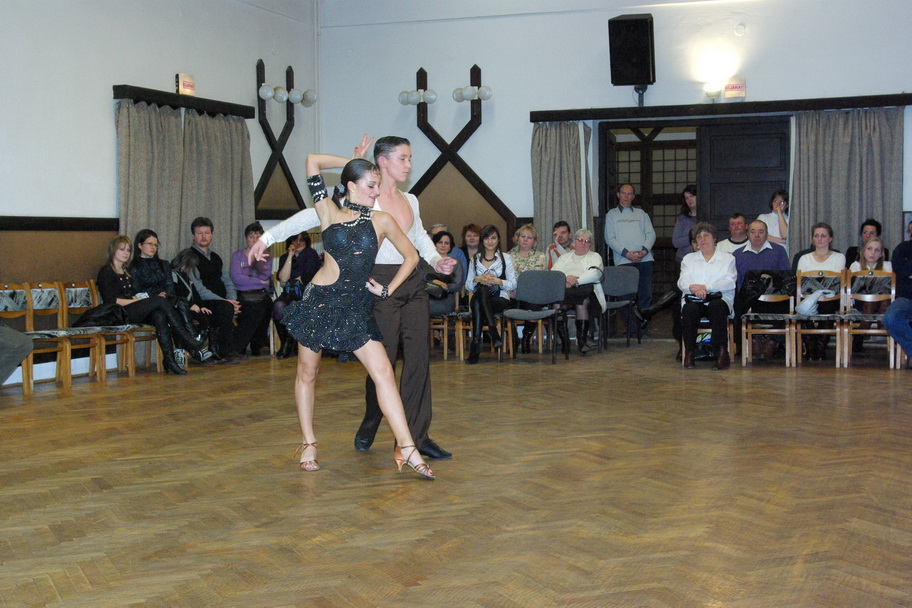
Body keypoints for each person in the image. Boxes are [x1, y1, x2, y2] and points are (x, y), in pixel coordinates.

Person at [248, 135, 456, 461]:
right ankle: (370, 421)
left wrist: (436, 260)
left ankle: (416, 438)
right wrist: (269, 236)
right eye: (403, 158)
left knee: (417, 360)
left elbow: (417, 238)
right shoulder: (360, 196)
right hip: (368, 282)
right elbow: (311, 215)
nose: (409, 164)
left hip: (408, 282)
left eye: (409, 158)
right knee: (380, 364)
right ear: (382, 162)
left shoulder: (410, 200)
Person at [97, 235, 207, 375]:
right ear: (113, 250)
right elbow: (111, 300)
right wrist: (137, 301)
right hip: (116, 313)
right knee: (160, 301)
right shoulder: (106, 271)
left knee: (159, 315)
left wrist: (137, 298)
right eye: (122, 250)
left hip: (131, 309)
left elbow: (130, 294)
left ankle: (169, 360)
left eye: (128, 250)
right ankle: (187, 338)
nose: (126, 253)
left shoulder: (126, 271)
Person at [132, 229, 212, 363]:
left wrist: (165, 294)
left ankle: (182, 348)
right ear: (140, 245)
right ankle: (193, 342)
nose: (153, 247)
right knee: (175, 308)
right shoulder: (134, 267)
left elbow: (170, 285)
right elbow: (136, 290)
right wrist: (155, 295)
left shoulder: (164, 264)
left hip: (166, 300)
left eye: (155, 245)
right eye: (150, 244)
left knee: (178, 305)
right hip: (147, 304)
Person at [678, 222, 737, 370]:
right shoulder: (688, 259)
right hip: (695, 299)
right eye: (699, 237)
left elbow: (730, 282)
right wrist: (693, 288)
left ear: (714, 238)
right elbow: (682, 282)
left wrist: (706, 287)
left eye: (706, 235)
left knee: (716, 307)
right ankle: (690, 352)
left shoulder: (728, 258)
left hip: (719, 299)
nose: (702, 239)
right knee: (689, 309)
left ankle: (721, 352)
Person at [732, 220, 791, 359]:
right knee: (736, 304)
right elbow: (737, 283)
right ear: (748, 233)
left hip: (775, 300)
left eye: (761, 232)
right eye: (753, 232)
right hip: (749, 301)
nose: (756, 235)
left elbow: (786, 278)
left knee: (787, 302)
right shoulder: (737, 254)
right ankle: (752, 340)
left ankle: (772, 341)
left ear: (767, 234)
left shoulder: (779, 251)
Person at [186, 217, 240, 362]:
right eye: (199, 233)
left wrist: (232, 299)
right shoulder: (190, 257)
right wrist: (226, 302)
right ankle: (224, 351)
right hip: (203, 301)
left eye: (207, 233)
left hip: (223, 301)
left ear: (212, 235)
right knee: (225, 308)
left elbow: (227, 281)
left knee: (248, 305)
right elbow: (198, 288)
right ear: (193, 236)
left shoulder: (216, 257)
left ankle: (238, 347)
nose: (204, 236)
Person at [604, 183, 656, 323]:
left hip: (644, 260)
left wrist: (644, 250)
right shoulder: (611, 215)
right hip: (624, 261)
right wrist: (626, 253)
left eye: (629, 194)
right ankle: (631, 328)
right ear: (618, 195)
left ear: (633, 196)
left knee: (646, 295)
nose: (626, 196)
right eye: (623, 193)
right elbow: (610, 238)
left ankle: (644, 326)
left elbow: (651, 234)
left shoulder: (641, 214)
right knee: (625, 296)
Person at [464, 224, 516, 364]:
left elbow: (513, 284)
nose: (490, 241)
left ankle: (476, 344)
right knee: (481, 290)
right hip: (482, 298)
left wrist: (498, 281)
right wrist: (478, 279)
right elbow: (468, 285)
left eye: (493, 238)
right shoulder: (475, 259)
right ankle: (493, 332)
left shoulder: (506, 258)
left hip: (500, 299)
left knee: (477, 301)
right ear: (482, 240)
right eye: (487, 238)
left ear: (498, 239)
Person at [551, 229, 606, 355]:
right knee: (556, 305)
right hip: (565, 291)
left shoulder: (595, 256)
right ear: (574, 242)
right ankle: (565, 342)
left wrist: (574, 281)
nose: (583, 243)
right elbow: (554, 274)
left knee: (582, 302)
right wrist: (565, 280)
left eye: (587, 241)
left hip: (586, 293)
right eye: (580, 240)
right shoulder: (564, 257)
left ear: (590, 244)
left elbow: (595, 274)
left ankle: (582, 342)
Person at [796, 223, 845, 360]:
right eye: (816, 235)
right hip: (807, 298)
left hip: (830, 299)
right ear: (812, 238)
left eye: (823, 236)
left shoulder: (839, 257)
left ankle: (821, 347)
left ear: (830, 238)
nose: (819, 239)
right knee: (802, 307)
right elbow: (801, 283)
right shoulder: (804, 258)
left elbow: (834, 283)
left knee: (827, 306)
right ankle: (810, 347)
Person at [273, 232, 321, 359]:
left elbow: (311, 276)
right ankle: (286, 342)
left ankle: (289, 345)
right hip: (289, 293)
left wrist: (297, 279)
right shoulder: (284, 257)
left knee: (294, 306)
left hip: (306, 294)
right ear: (290, 241)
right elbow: (283, 279)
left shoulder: (311, 254)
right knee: (278, 306)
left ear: (306, 241)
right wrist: (290, 255)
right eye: (295, 240)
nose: (298, 243)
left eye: (301, 240)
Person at [229, 221, 273, 357]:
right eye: (251, 237)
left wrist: (256, 260)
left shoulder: (266, 256)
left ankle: (249, 344)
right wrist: (258, 281)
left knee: (266, 305)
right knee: (254, 309)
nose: (254, 240)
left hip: (261, 294)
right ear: (246, 238)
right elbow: (237, 279)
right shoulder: (237, 256)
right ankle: (244, 345)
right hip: (243, 294)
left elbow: (265, 276)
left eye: (258, 237)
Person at [507, 223, 547, 353]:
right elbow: (505, 277)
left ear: (534, 241)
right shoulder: (508, 256)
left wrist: (522, 291)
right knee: (502, 303)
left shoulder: (540, 256)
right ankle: (512, 338)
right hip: (512, 293)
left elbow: (537, 279)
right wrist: (509, 290)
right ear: (517, 238)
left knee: (534, 305)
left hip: (531, 294)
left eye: (529, 237)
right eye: (522, 236)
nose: (525, 240)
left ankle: (526, 337)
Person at [884, 233, 912, 369]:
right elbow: (900, 269)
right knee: (890, 319)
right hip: (906, 298)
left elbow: (907, 270)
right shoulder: (902, 248)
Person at [426, 230, 463, 317]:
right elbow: (420, 280)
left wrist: (443, 286)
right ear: (434, 244)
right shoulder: (426, 263)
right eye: (440, 242)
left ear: (450, 246)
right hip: (427, 296)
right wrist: (434, 282)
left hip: (446, 297)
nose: (443, 245)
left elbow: (457, 285)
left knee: (423, 309)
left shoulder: (455, 263)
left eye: (446, 243)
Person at [672, 185, 697, 264]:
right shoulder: (682, 218)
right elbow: (675, 242)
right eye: (687, 198)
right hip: (683, 259)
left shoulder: (707, 217)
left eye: (691, 196)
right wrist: (693, 236)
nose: (689, 199)